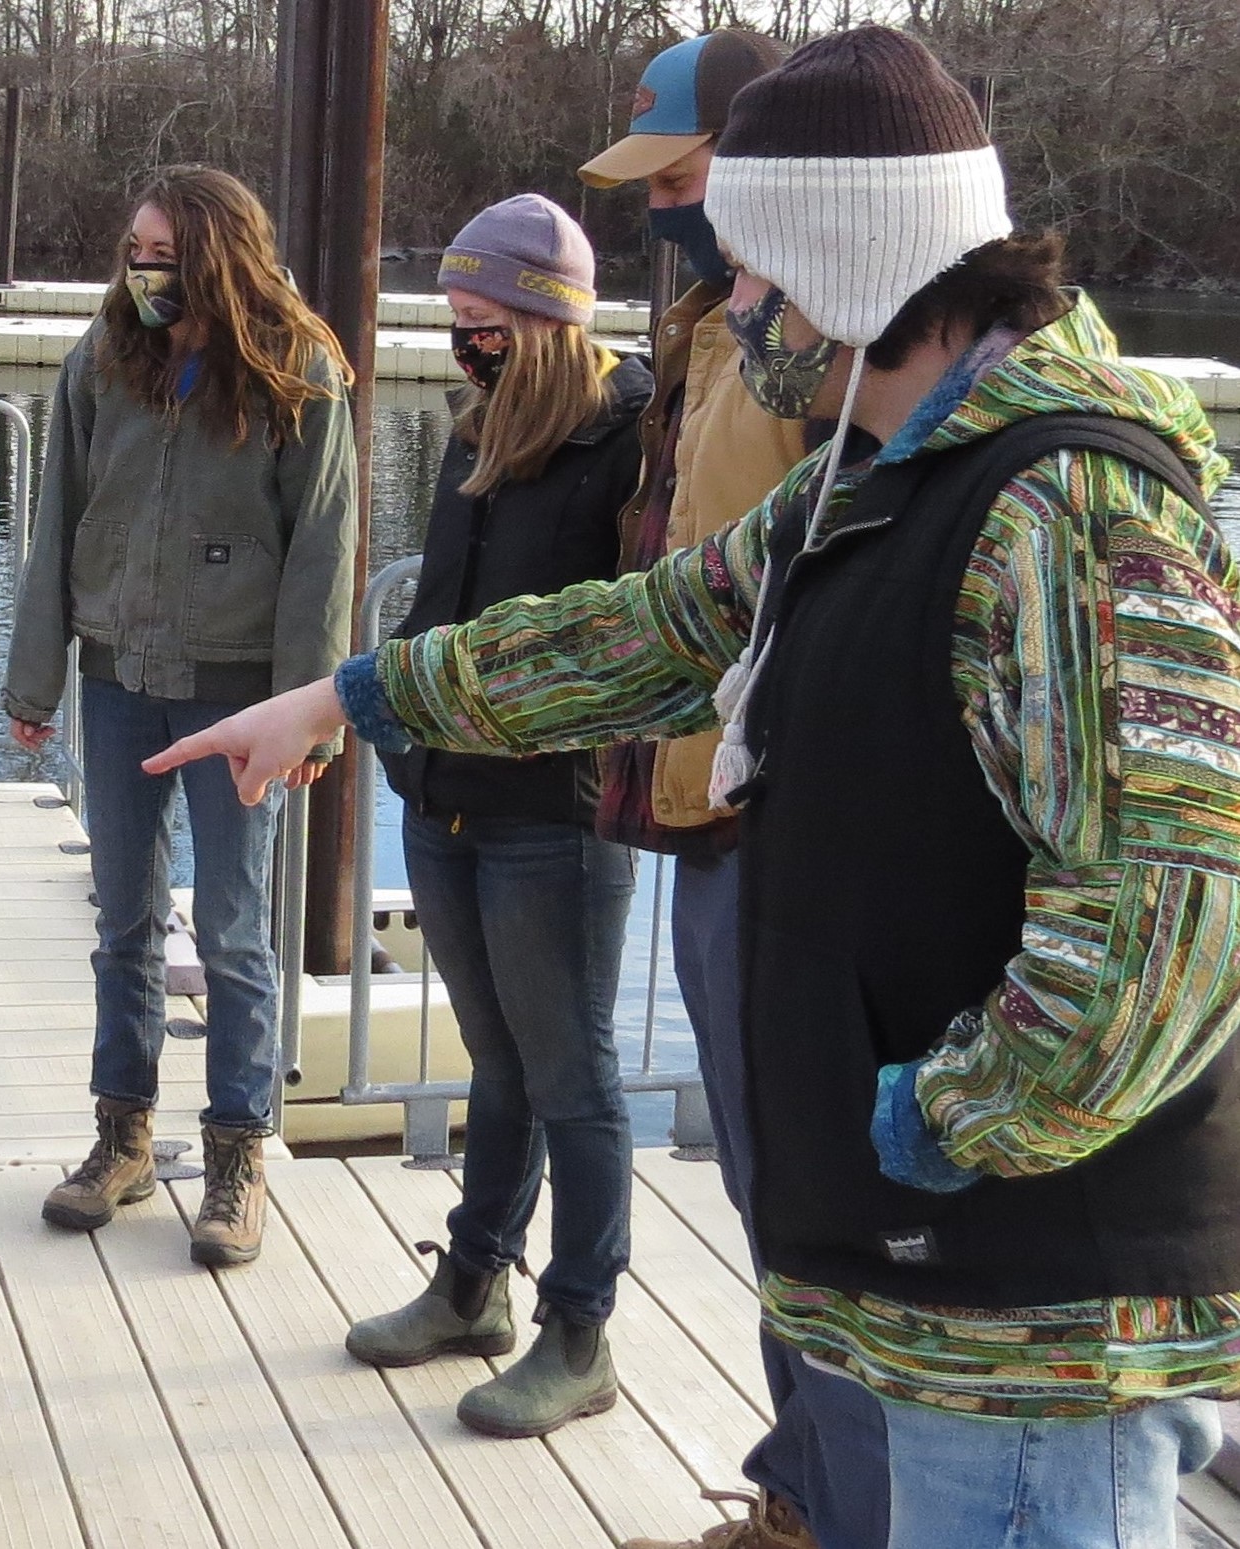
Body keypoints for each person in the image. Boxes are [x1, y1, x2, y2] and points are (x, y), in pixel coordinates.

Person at [148, 29, 1240, 1548]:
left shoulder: (1072, 518)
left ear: (855, 269)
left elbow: (1164, 932)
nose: (730, 308)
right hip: (923, 1286)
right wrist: (353, 690)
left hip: (1033, 1335)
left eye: (750, 274)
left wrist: (926, 1123)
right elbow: (652, 629)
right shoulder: (872, 475)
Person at [581, 31, 890, 1549]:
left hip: (781, 821)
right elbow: (683, 581)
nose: (661, 210)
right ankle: (797, 1499)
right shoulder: (717, 327)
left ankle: (830, 1515)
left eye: (681, 178)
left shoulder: (827, 350)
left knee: (818, 1200)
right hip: (701, 810)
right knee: (774, 1198)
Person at [3, 163, 358, 1266]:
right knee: (123, 919)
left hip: (241, 690)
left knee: (237, 930)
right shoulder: (101, 359)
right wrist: (34, 685)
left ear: (216, 251)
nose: (144, 269)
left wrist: (311, 714)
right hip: (118, 677)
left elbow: (324, 555)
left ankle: (239, 1155)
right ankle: (122, 1137)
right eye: (134, 250)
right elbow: (56, 519)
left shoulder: (300, 368)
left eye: (164, 252)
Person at [338, 194, 647, 1440]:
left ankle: (583, 1330)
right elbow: (433, 622)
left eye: (490, 323)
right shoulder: (476, 431)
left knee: (574, 1072)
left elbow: (630, 638)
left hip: (557, 812)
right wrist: (396, 735)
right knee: (499, 1061)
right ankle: (474, 1284)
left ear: (551, 321)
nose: (468, 343)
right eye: (455, 322)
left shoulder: (626, 443)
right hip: (448, 795)